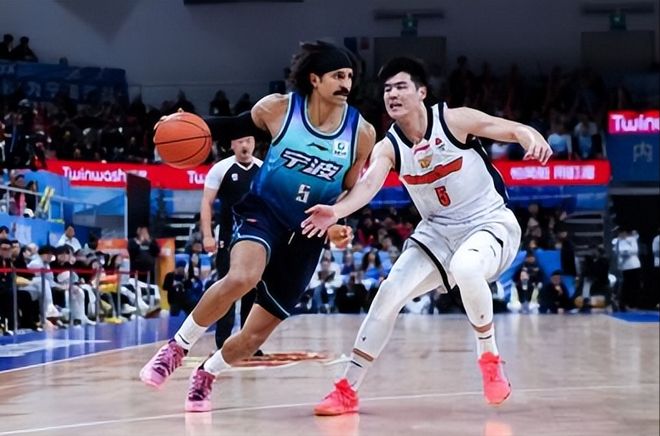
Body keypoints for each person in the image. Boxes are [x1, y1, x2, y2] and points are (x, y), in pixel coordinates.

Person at [302, 57, 552, 415]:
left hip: (489, 223)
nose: (392, 94)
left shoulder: (453, 120)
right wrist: (336, 211)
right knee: (388, 294)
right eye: (387, 89)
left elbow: (508, 128)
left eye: (401, 86)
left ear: (421, 92)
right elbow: (368, 187)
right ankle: (347, 390)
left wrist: (531, 137)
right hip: (436, 234)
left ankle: (489, 358)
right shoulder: (389, 147)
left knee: (467, 267)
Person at [139, 41, 375, 412]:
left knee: (253, 337)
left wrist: (337, 220)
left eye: (349, 76)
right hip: (264, 212)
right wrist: (180, 123)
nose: (346, 84)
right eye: (338, 76)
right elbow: (230, 126)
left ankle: (208, 372)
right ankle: (176, 348)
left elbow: (348, 188)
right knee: (242, 277)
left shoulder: (361, 133)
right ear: (315, 79)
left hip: (308, 233)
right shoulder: (279, 108)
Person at [200, 136, 263, 349]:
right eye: (240, 142)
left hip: (256, 237)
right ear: (232, 145)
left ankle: (247, 344)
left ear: (254, 143)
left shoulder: (263, 169)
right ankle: (223, 342)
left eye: (248, 141)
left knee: (253, 289)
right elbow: (207, 202)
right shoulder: (220, 169)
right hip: (228, 237)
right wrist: (207, 235)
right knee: (227, 288)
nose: (245, 146)